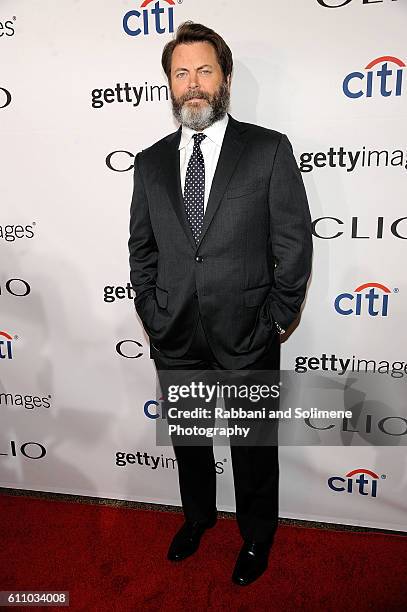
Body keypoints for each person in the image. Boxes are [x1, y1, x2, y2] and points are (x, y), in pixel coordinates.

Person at [128, 21, 312, 586]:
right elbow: (143, 246)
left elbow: (294, 244)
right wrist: (153, 313)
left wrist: (276, 320)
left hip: (248, 334)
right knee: (189, 442)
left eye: (204, 70)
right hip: (175, 334)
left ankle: (257, 536)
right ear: (169, 84)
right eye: (181, 73)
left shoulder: (268, 149)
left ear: (225, 78)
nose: (193, 84)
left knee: (254, 449)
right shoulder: (151, 161)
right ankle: (198, 518)